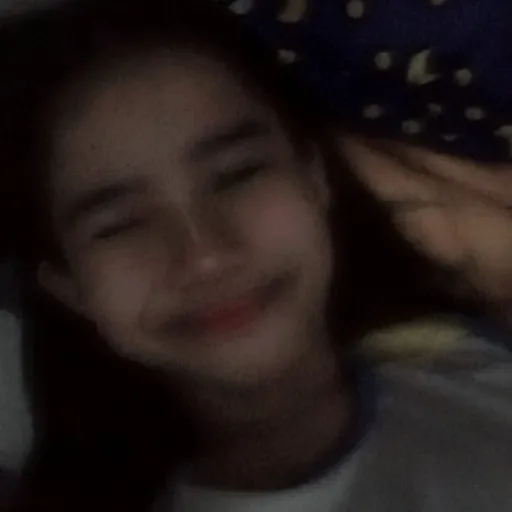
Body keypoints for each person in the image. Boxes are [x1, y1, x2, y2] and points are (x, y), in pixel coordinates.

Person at [0, 0, 509, 511]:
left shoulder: (461, 355)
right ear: (67, 284)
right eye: (121, 225)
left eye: (239, 175)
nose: (205, 256)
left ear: (315, 178)